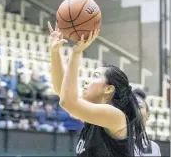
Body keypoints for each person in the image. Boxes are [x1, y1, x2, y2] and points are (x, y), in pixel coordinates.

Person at [48, 21, 149, 157]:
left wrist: (76, 53)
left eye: (95, 76)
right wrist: (55, 51)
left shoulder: (115, 116)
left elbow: (67, 101)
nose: (87, 81)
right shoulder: (95, 118)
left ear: (108, 89)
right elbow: (62, 91)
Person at [133, 88, 161, 156]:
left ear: (147, 115)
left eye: (139, 106)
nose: (135, 109)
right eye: (131, 106)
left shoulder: (154, 148)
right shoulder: (118, 144)